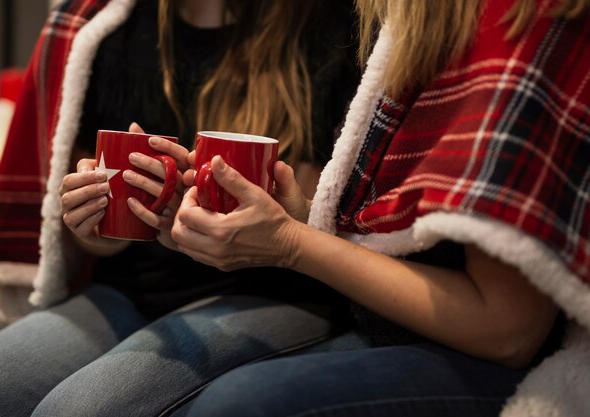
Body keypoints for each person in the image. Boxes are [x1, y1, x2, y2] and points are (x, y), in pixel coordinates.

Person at [166, 0, 590, 416]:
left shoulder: (519, 26)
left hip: (492, 358)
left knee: (239, 401)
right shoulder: (423, 30)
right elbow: (422, 241)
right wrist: (301, 220)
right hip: (384, 325)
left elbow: (509, 333)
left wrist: (292, 242)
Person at [0, 0, 359, 415]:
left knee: (79, 409)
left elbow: (317, 224)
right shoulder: (108, 26)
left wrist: (202, 228)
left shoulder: (324, 29)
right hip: (130, 288)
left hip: (265, 292)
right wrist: (94, 222)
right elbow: (97, 239)